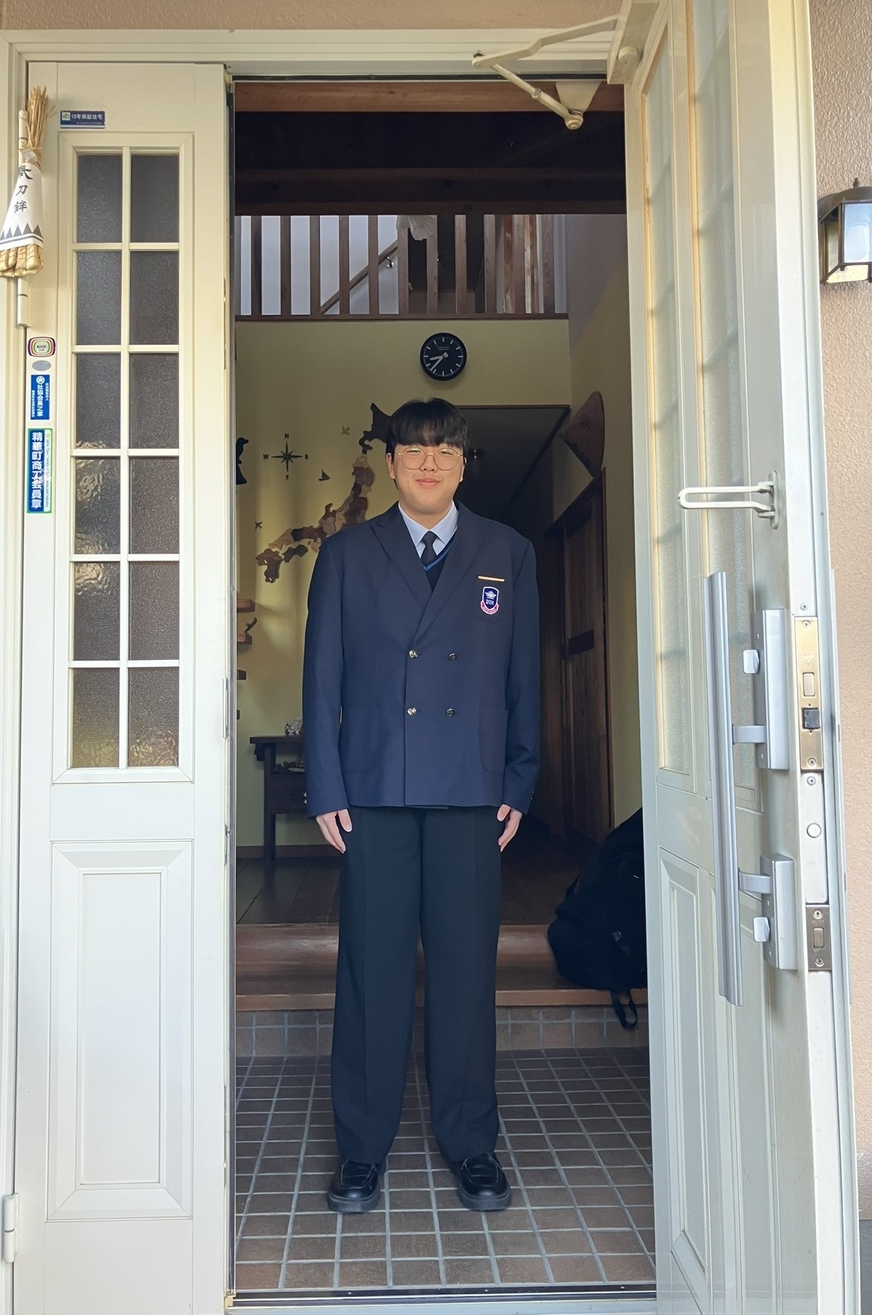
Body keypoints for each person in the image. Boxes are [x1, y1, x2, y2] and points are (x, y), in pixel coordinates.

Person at [302, 398, 540, 1214]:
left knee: (468, 972)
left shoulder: (506, 552)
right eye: (413, 449)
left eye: (444, 449)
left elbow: (523, 682)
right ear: (393, 462)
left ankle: (471, 1143)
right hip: (375, 793)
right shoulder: (345, 555)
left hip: (473, 791)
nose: (428, 461)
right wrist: (326, 785)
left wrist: (519, 778)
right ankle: (362, 1152)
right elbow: (322, 678)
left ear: (465, 463)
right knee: (371, 972)